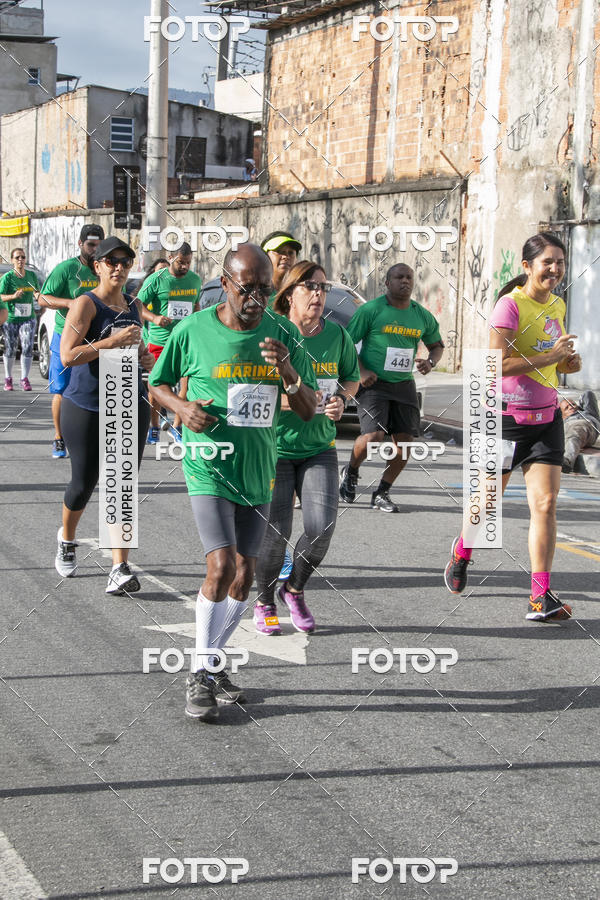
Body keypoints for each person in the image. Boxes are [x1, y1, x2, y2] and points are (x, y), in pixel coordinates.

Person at [148, 243, 317, 722]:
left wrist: (286, 371)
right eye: (248, 288)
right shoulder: (192, 330)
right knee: (221, 567)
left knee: (246, 576)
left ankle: (214, 662)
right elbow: (156, 383)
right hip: (207, 464)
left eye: (266, 289)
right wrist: (181, 409)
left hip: (258, 469)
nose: (257, 298)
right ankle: (200, 674)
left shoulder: (282, 332)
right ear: (224, 283)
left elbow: (306, 410)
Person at [444, 232, 582, 621]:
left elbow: (553, 358)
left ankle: (540, 597)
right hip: (504, 420)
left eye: (560, 262)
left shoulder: (557, 305)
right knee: (487, 505)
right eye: (547, 262)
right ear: (527, 267)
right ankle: (462, 551)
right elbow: (493, 366)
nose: (555, 269)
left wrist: (566, 363)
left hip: (546, 419)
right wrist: (548, 356)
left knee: (546, 504)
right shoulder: (510, 306)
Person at [254, 261, 359, 635]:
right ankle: (264, 600)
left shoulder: (336, 336)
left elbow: (351, 376)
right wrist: (297, 401)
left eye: (322, 287)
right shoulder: (270, 333)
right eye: (309, 287)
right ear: (289, 294)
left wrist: (341, 400)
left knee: (321, 527)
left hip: (319, 447)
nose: (317, 294)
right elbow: (251, 390)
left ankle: (293, 589)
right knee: (275, 534)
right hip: (275, 448)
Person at [54, 237, 154, 594]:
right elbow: (68, 356)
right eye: (111, 261)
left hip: (128, 403)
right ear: (97, 266)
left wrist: (145, 358)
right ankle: (67, 538)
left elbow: (141, 350)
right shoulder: (86, 304)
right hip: (86, 405)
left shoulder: (133, 304)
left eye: (125, 262)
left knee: (122, 486)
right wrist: (109, 343)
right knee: (83, 484)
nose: (118, 267)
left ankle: (119, 566)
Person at [339, 263, 444, 512]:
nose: (404, 281)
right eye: (399, 277)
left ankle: (382, 492)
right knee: (374, 437)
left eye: (409, 277)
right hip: (374, 382)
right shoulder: (371, 310)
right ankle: (351, 470)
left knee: (405, 442)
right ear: (388, 283)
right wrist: (362, 371)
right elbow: (345, 344)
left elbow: (437, 346)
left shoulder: (421, 315)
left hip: (404, 383)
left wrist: (430, 362)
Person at [39, 224, 105, 458]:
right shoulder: (67, 269)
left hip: (96, 337)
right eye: (90, 245)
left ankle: (94, 436)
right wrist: (69, 304)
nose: (95, 250)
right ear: (80, 244)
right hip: (65, 335)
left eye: (98, 245)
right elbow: (42, 298)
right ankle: (59, 438)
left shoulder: (104, 268)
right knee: (61, 389)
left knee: (98, 389)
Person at [138, 243, 202, 445]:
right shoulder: (156, 279)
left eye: (188, 263)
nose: (185, 267)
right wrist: (155, 317)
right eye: (181, 262)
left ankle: (177, 426)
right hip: (160, 341)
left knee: (186, 383)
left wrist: (198, 322)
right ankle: (154, 426)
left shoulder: (195, 280)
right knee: (157, 386)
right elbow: (136, 305)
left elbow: (196, 305)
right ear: (171, 257)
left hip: (185, 342)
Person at [0, 248, 40, 391]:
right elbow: (1, 296)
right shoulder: (8, 278)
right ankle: (8, 378)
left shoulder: (31, 276)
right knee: (10, 348)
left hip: (28, 318)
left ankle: (24, 378)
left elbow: (36, 292)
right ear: (12, 260)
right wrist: (13, 296)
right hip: (11, 318)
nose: (20, 260)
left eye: (23, 257)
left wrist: (40, 299)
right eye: (17, 257)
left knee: (27, 346)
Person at [560, 391, 600, 473]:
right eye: (566, 408)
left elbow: (588, 394)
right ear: (562, 415)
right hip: (565, 428)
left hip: (583, 426)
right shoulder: (561, 421)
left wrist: (581, 407)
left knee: (574, 433)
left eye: (573, 404)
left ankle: (567, 461)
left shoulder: (588, 414)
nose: (571, 407)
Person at [260, 231, 302, 300]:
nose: (286, 256)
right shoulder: (255, 295)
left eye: (291, 253)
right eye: (279, 251)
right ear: (264, 257)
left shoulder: (303, 294)